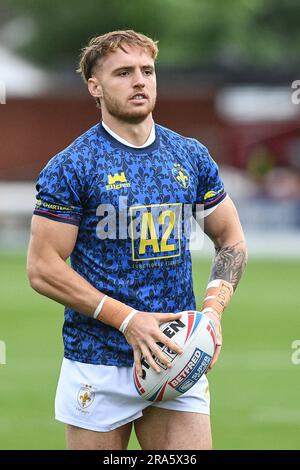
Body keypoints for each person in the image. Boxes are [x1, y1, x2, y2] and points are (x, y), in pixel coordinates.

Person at [27, 30, 247, 450]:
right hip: (98, 363)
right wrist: (128, 321)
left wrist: (212, 313)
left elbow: (230, 238)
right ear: (95, 86)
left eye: (147, 71)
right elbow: (43, 268)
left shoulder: (190, 155)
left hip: (176, 356)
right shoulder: (72, 165)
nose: (140, 81)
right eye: (124, 73)